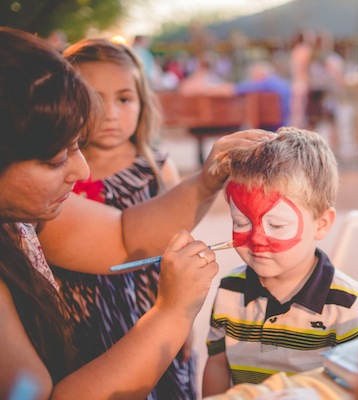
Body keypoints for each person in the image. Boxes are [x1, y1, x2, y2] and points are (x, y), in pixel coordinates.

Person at [0, 27, 269, 399]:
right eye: (55, 159)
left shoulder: (19, 217)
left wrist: (207, 181)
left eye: (77, 147)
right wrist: (171, 313)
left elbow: (122, 237)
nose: (82, 173)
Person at [50, 38, 196, 400]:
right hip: (77, 317)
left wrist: (184, 319)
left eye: (124, 99)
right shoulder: (59, 173)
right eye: (95, 99)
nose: (111, 113)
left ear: (142, 102)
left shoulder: (157, 169)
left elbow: (176, 246)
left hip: (146, 309)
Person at [202, 127, 358, 396]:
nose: (257, 239)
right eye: (241, 222)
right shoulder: (230, 289)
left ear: (321, 224)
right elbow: (217, 364)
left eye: (276, 225)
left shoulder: (346, 304)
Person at [180, 60, 292, 128]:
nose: (252, 79)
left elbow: (232, 90)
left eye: (253, 76)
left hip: (269, 125)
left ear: (260, 74)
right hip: (282, 121)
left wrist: (206, 89)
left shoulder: (262, 84)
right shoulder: (282, 83)